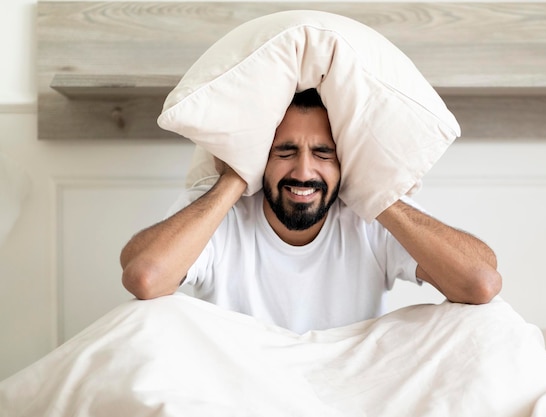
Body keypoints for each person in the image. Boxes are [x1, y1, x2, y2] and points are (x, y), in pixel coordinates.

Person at [120, 89, 502, 334]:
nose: (303, 172)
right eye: (284, 152)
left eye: (324, 154)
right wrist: (234, 178)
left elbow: (480, 283)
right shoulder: (221, 212)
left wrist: (376, 191)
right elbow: (145, 278)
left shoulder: (368, 214)